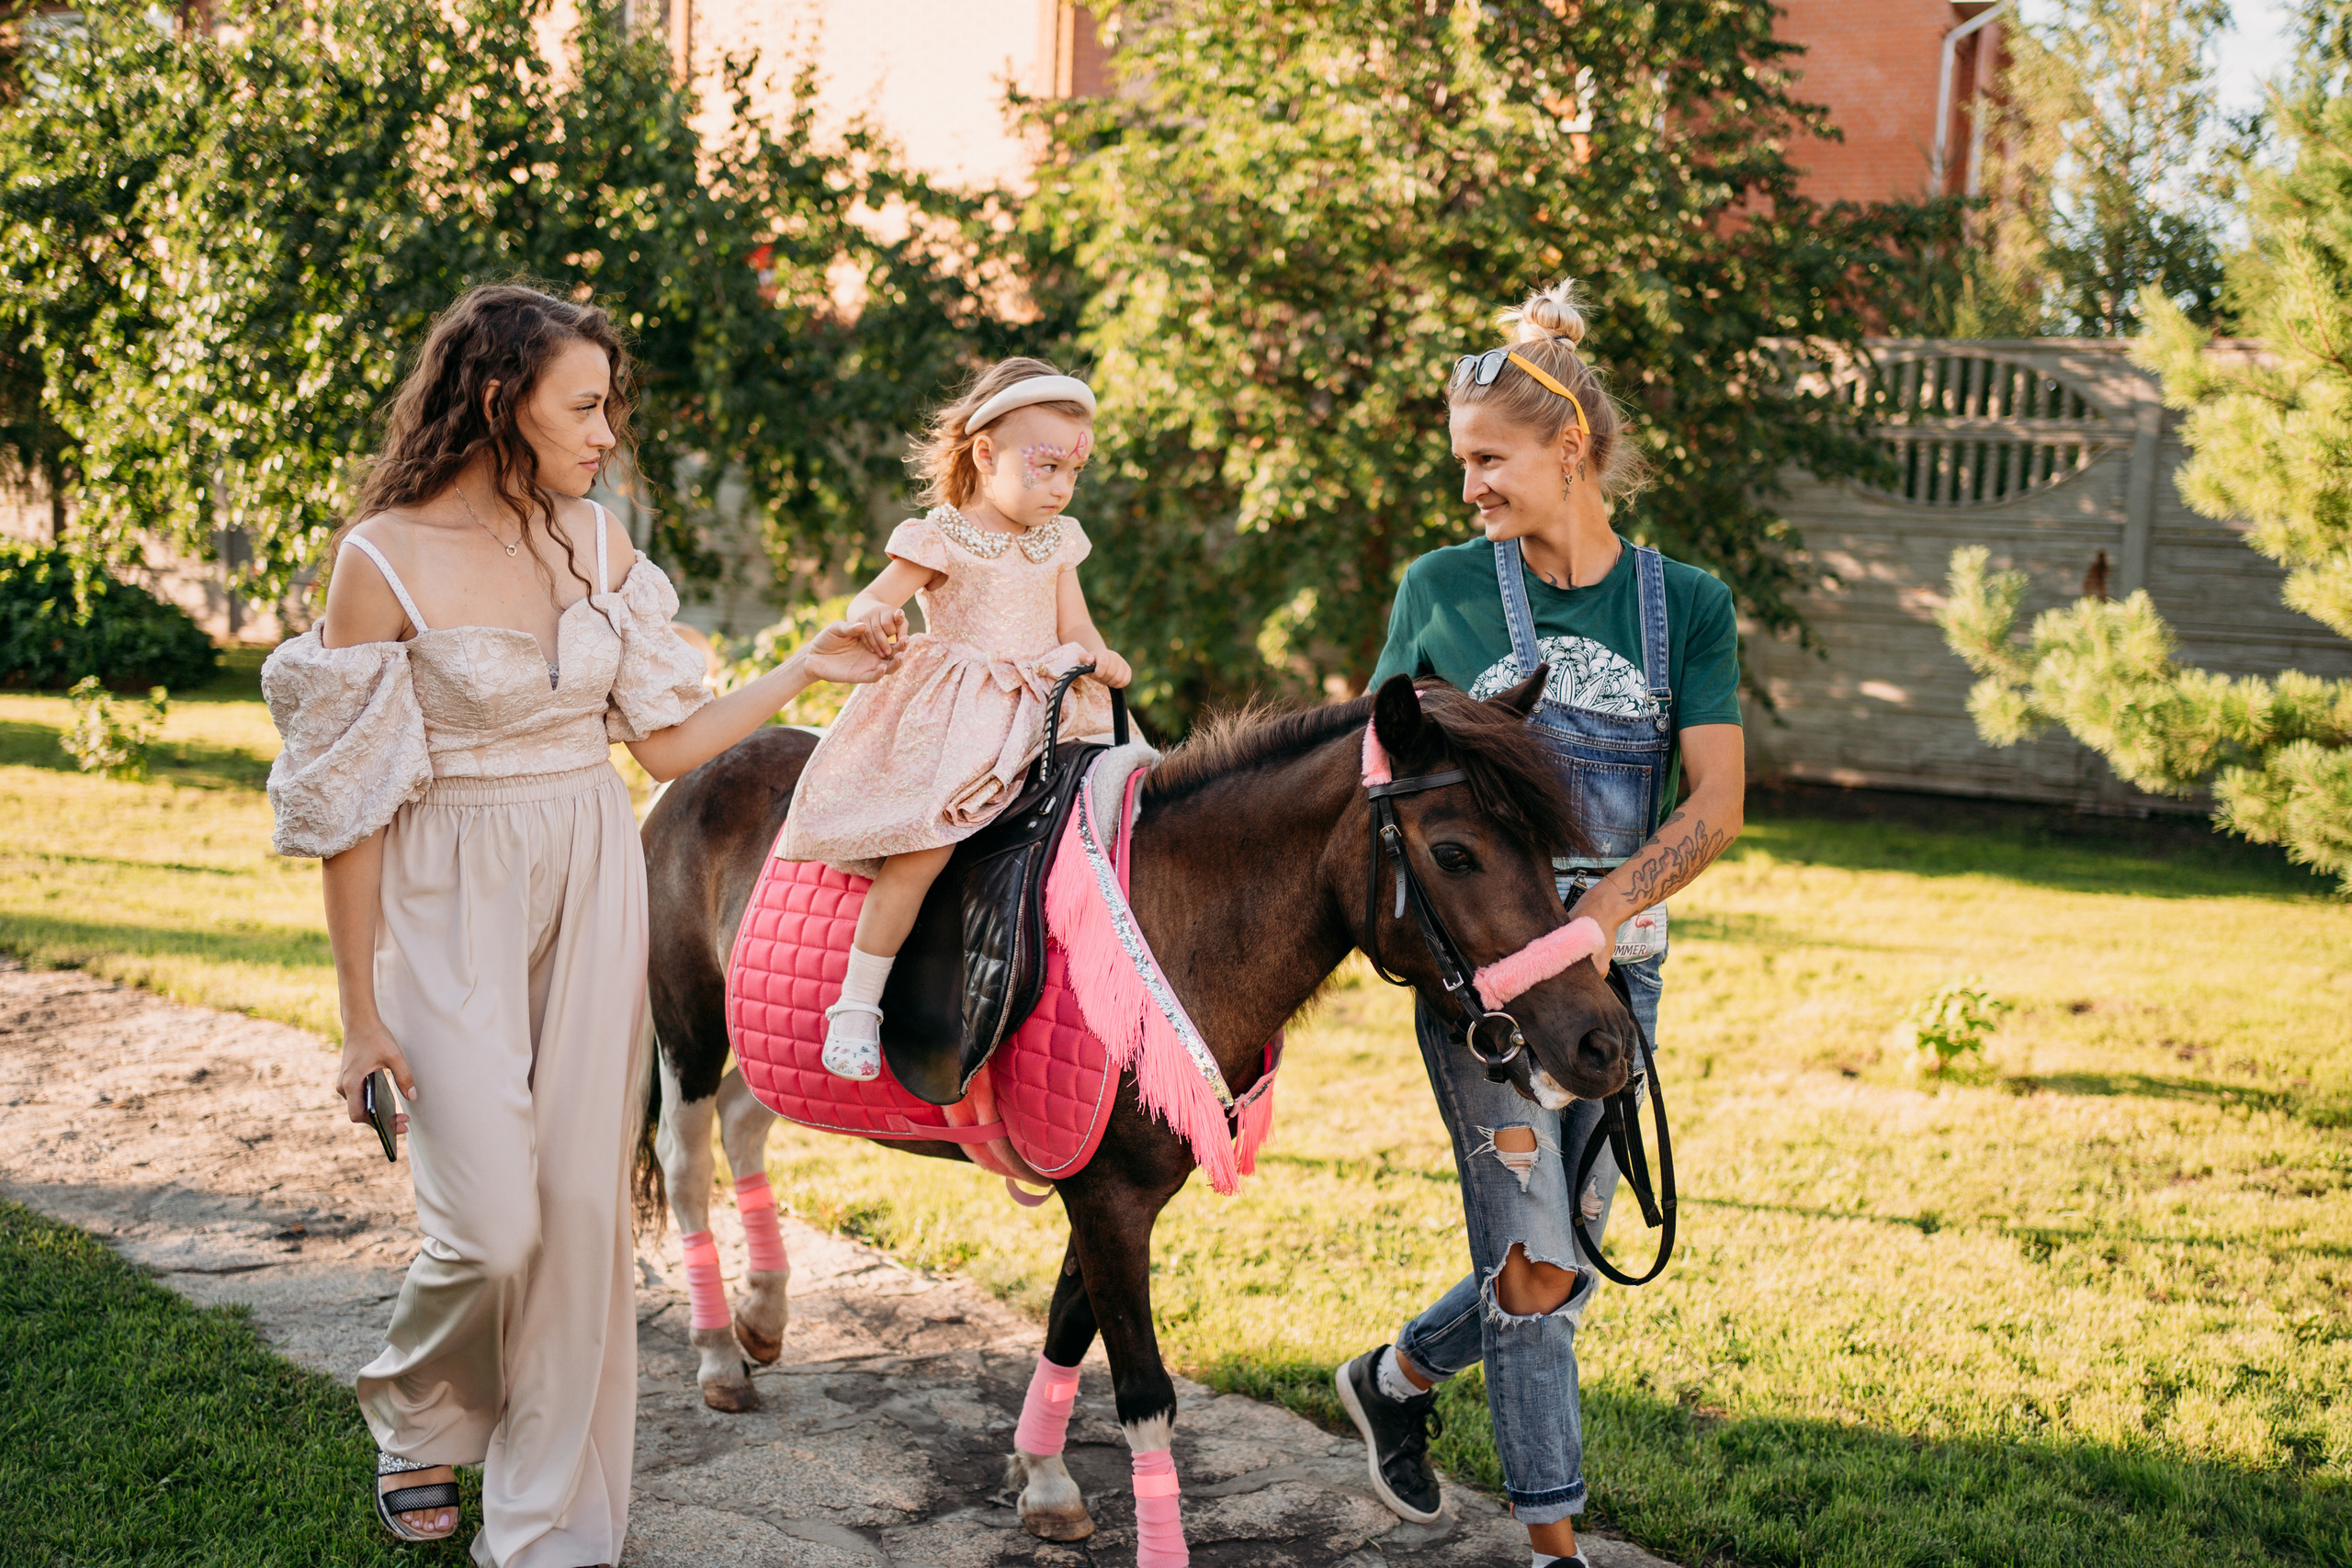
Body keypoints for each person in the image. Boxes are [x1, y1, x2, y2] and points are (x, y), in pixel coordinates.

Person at [261, 282, 899, 1567]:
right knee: (492, 1222)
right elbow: (349, 802)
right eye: (587, 405)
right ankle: (421, 1409)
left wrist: (798, 670)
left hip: (590, 865)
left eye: (610, 404)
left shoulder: (598, 545)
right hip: (446, 889)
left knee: (578, 1215)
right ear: (502, 402)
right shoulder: (379, 557)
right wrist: (359, 1013)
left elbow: (662, 739)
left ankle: (548, 1523)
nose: (609, 431)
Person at [1332, 280, 1746, 1568]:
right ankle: (1553, 1544)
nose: (1469, 487)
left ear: (1570, 448)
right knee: (1531, 1262)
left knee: (1564, 1264)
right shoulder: (1441, 591)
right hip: (1486, 990)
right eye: (1461, 463)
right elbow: (1378, 774)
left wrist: (1605, 913)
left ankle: (1396, 1373)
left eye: (1487, 459)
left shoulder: (1692, 606)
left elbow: (1719, 800)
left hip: (1620, 982)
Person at [781, 356, 1131, 1084]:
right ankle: (858, 1002)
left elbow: (1076, 625)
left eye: (1073, 471)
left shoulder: (1058, 541)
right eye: (1045, 468)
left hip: (1046, 706)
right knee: (925, 844)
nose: (1061, 488)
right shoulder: (943, 533)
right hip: (964, 713)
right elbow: (871, 600)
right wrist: (875, 614)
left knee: (1119, 812)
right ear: (984, 454)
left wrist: (1101, 657)